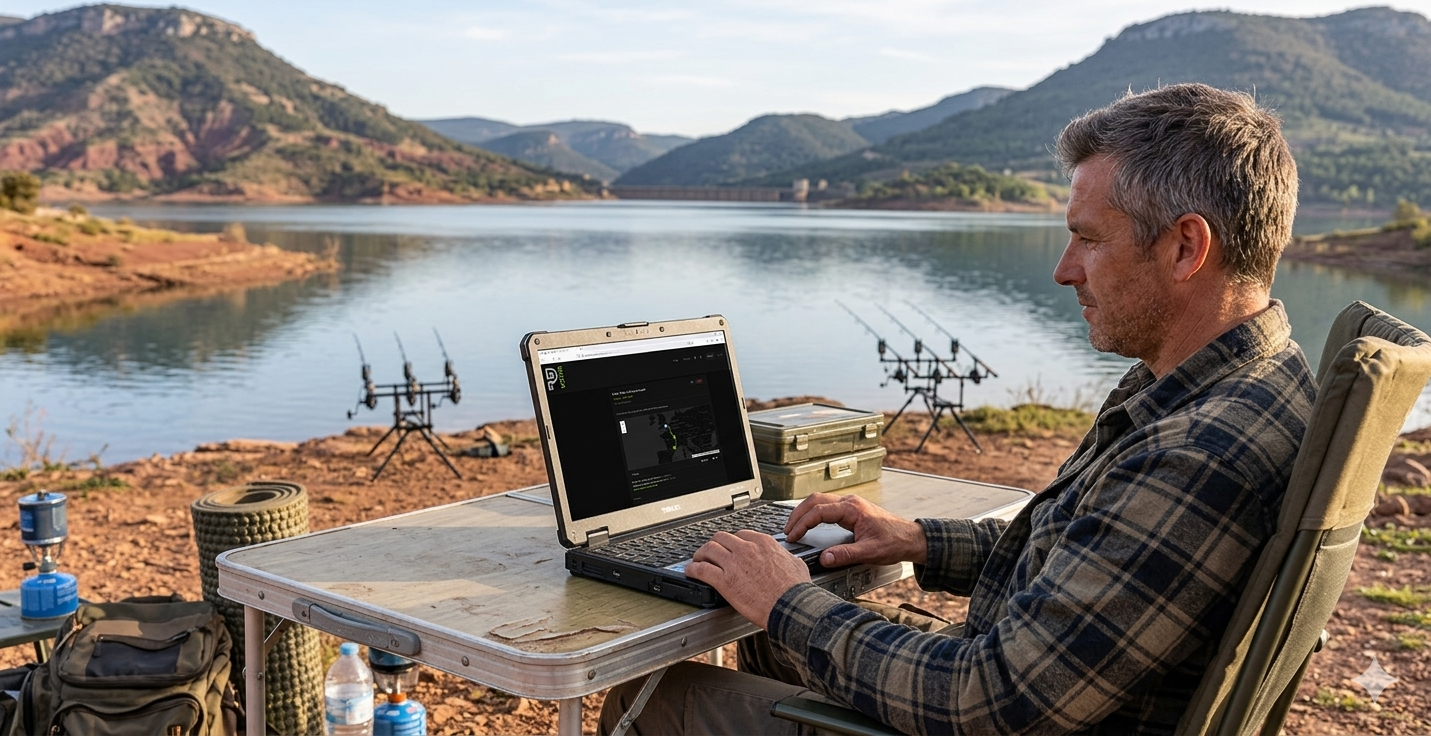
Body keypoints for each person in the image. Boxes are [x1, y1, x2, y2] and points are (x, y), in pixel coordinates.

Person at [600, 83, 1316, 735]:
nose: (1063, 268)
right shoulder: (1238, 387)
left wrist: (788, 602)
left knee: (658, 698)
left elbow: (990, 702)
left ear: (1186, 246)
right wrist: (917, 540)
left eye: (1088, 239)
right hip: (1074, 694)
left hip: (1000, 707)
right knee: (772, 627)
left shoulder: (1194, 450)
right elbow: (1101, 567)